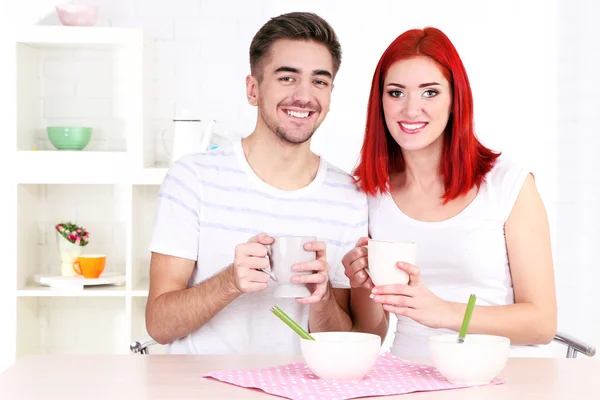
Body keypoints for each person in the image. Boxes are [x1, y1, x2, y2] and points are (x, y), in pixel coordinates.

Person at [145, 12, 377, 355]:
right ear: (253, 89)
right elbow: (159, 326)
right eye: (287, 78)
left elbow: (342, 338)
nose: (304, 95)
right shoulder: (193, 178)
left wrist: (323, 297)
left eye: (319, 81)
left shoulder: (348, 196)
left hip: (302, 389)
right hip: (203, 388)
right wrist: (229, 282)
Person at [342, 27, 557, 357]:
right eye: (396, 93)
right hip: (404, 376)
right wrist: (364, 287)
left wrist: (443, 311)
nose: (411, 110)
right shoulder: (370, 192)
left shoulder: (508, 184)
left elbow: (542, 324)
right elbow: (371, 332)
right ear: (379, 101)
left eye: (429, 92)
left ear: (455, 99)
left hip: (494, 376)